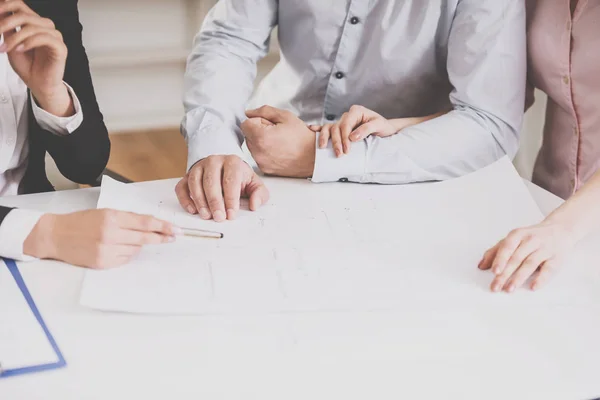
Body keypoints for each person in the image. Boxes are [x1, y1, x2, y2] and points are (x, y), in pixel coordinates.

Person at [176, 0, 526, 223]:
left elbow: (490, 124)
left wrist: (317, 156)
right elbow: (230, 39)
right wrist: (215, 142)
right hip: (267, 161)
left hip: (412, 179)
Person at [0, 0, 177, 268]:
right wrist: (48, 234)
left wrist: (51, 93)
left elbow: (86, 164)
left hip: (31, 224)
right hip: (29, 233)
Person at [478, 0, 600, 293]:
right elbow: (500, 102)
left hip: (567, 225)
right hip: (542, 208)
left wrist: (562, 228)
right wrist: (409, 126)